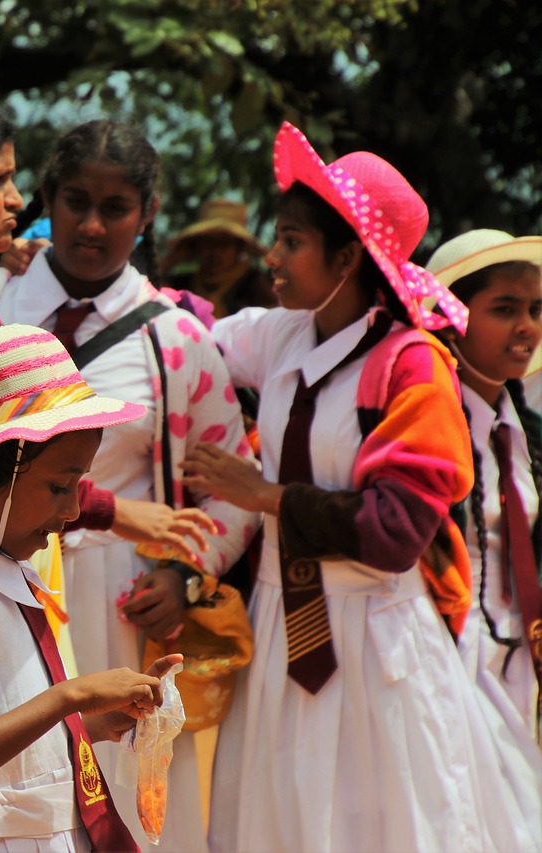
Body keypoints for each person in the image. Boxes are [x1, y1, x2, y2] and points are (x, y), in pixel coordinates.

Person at [181, 122, 523, 851]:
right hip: (284, 631)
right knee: (277, 820)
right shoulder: (281, 335)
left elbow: (395, 532)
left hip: (376, 641)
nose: (271, 257)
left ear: (346, 257)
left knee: (386, 822)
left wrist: (264, 494)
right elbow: (190, 336)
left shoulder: (412, 365)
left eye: (292, 241)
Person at [0, 120, 258, 852]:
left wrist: (182, 573)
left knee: (125, 805)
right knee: (9, 791)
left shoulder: (176, 340)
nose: (93, 223)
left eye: (117, 207)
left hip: (119, 609)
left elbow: (232, 490)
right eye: (75, 200)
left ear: (147, 214)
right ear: (46, 198)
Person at [0, 323, 180, 851]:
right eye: (59, 487)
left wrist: (92, 720)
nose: (71, 511)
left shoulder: (3, 568)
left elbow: (4, 725)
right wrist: (70, 696)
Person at [427, 229, 542, 834]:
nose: (526, 326)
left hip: (519, 652)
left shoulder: (526, 430)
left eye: (535, 309)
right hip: (446, 650)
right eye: (504, 309)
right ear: (453, 318)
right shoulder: (421, 421)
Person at [160, 198, 275, 318]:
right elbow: (147, 290)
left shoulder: (255, 284)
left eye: (224, 244)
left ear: (239, 248)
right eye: (208, 243)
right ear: (197, 246)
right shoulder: (181, 285)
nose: (215, 252)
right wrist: (172, 260)